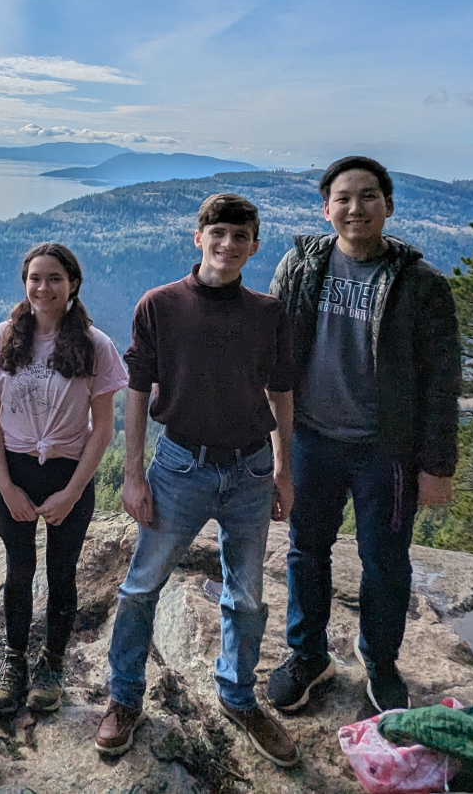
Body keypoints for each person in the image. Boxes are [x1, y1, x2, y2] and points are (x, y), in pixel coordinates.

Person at [97, 193, 300, 769]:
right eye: (219, 234)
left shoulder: (268, 314)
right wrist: (133, 474)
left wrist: (284, 470)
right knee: (141, 586)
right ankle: (124, 698)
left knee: (249, 594)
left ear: (254, 246)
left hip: (252, 469)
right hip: (180, 466)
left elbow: (282, 392)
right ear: (198, 237)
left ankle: (238, 697)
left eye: (241, 237)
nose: (228, 245)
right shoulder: (160, 305)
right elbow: (136, 391)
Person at [265, 156, 459, 715]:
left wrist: (437, 465)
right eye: (343, 198)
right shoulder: (300, 268)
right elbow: (275, 357)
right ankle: (308, 654)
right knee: (306, 551)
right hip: (312, 440)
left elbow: (442, 383)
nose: (356, 208)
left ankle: (379, 659)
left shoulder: (421, 286)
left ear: (388, 206)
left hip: (387, 451)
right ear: (326, 210)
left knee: (386, 561)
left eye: (368, 196)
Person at [0, 243, 126, 717]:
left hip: (67, 472)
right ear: (25, 283)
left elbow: (103, 428)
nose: (44, 287)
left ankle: (52, 666)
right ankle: (14, 663)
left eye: (55, 278)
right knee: (19, 570)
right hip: (16, 469)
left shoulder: (95, 345)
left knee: (62, 573)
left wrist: (73, 491)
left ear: (73, 284)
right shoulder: (5, 337)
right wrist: (6, 485)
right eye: (35, 278)